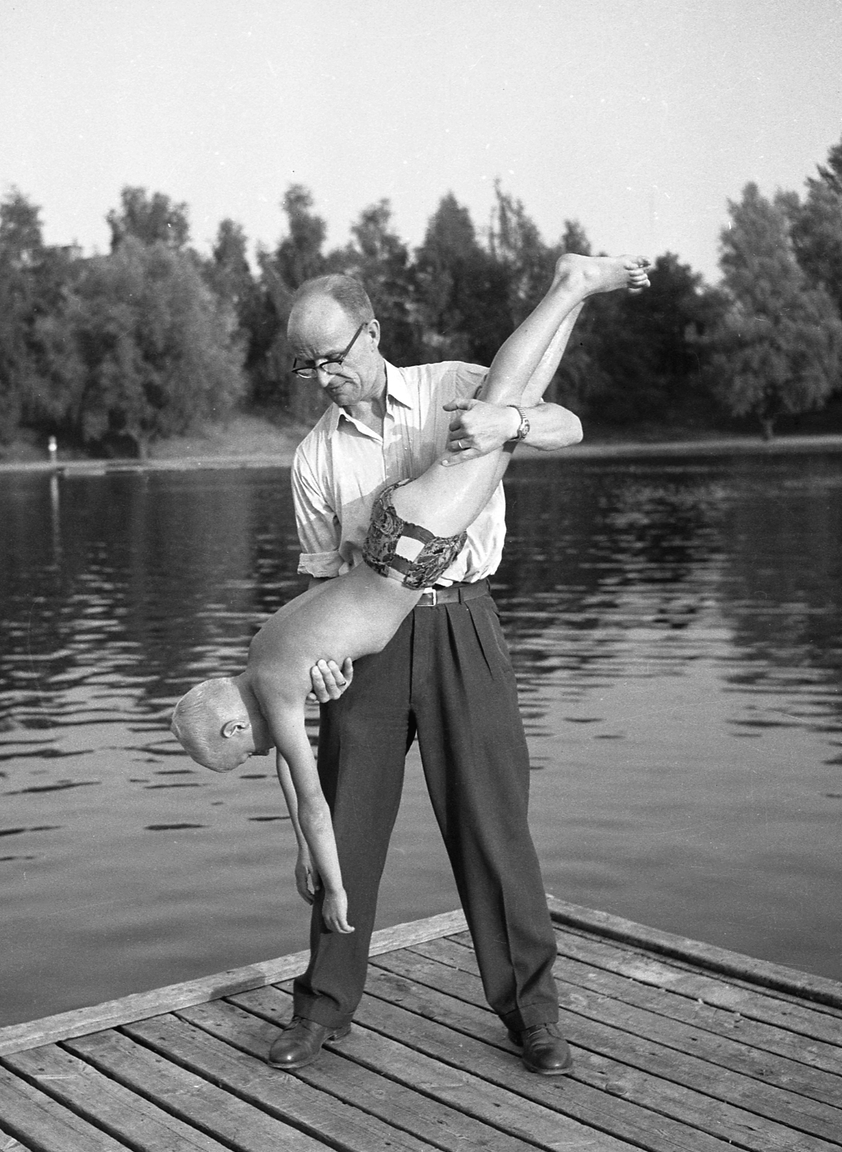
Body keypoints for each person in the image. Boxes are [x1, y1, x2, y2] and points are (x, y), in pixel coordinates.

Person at [172, 253, 649, 1077]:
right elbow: (322, 593)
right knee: (347, 823)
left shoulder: (447, 385)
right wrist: (322, 671)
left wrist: (513, 426)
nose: (324, 376)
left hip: (462, 619)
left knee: (492, 825)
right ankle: (323, 1006)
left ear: (373, 333)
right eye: (307, 364)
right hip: (367, 657)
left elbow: (568, 424)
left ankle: (531, 1013)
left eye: (335, 355)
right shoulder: (312, 460)